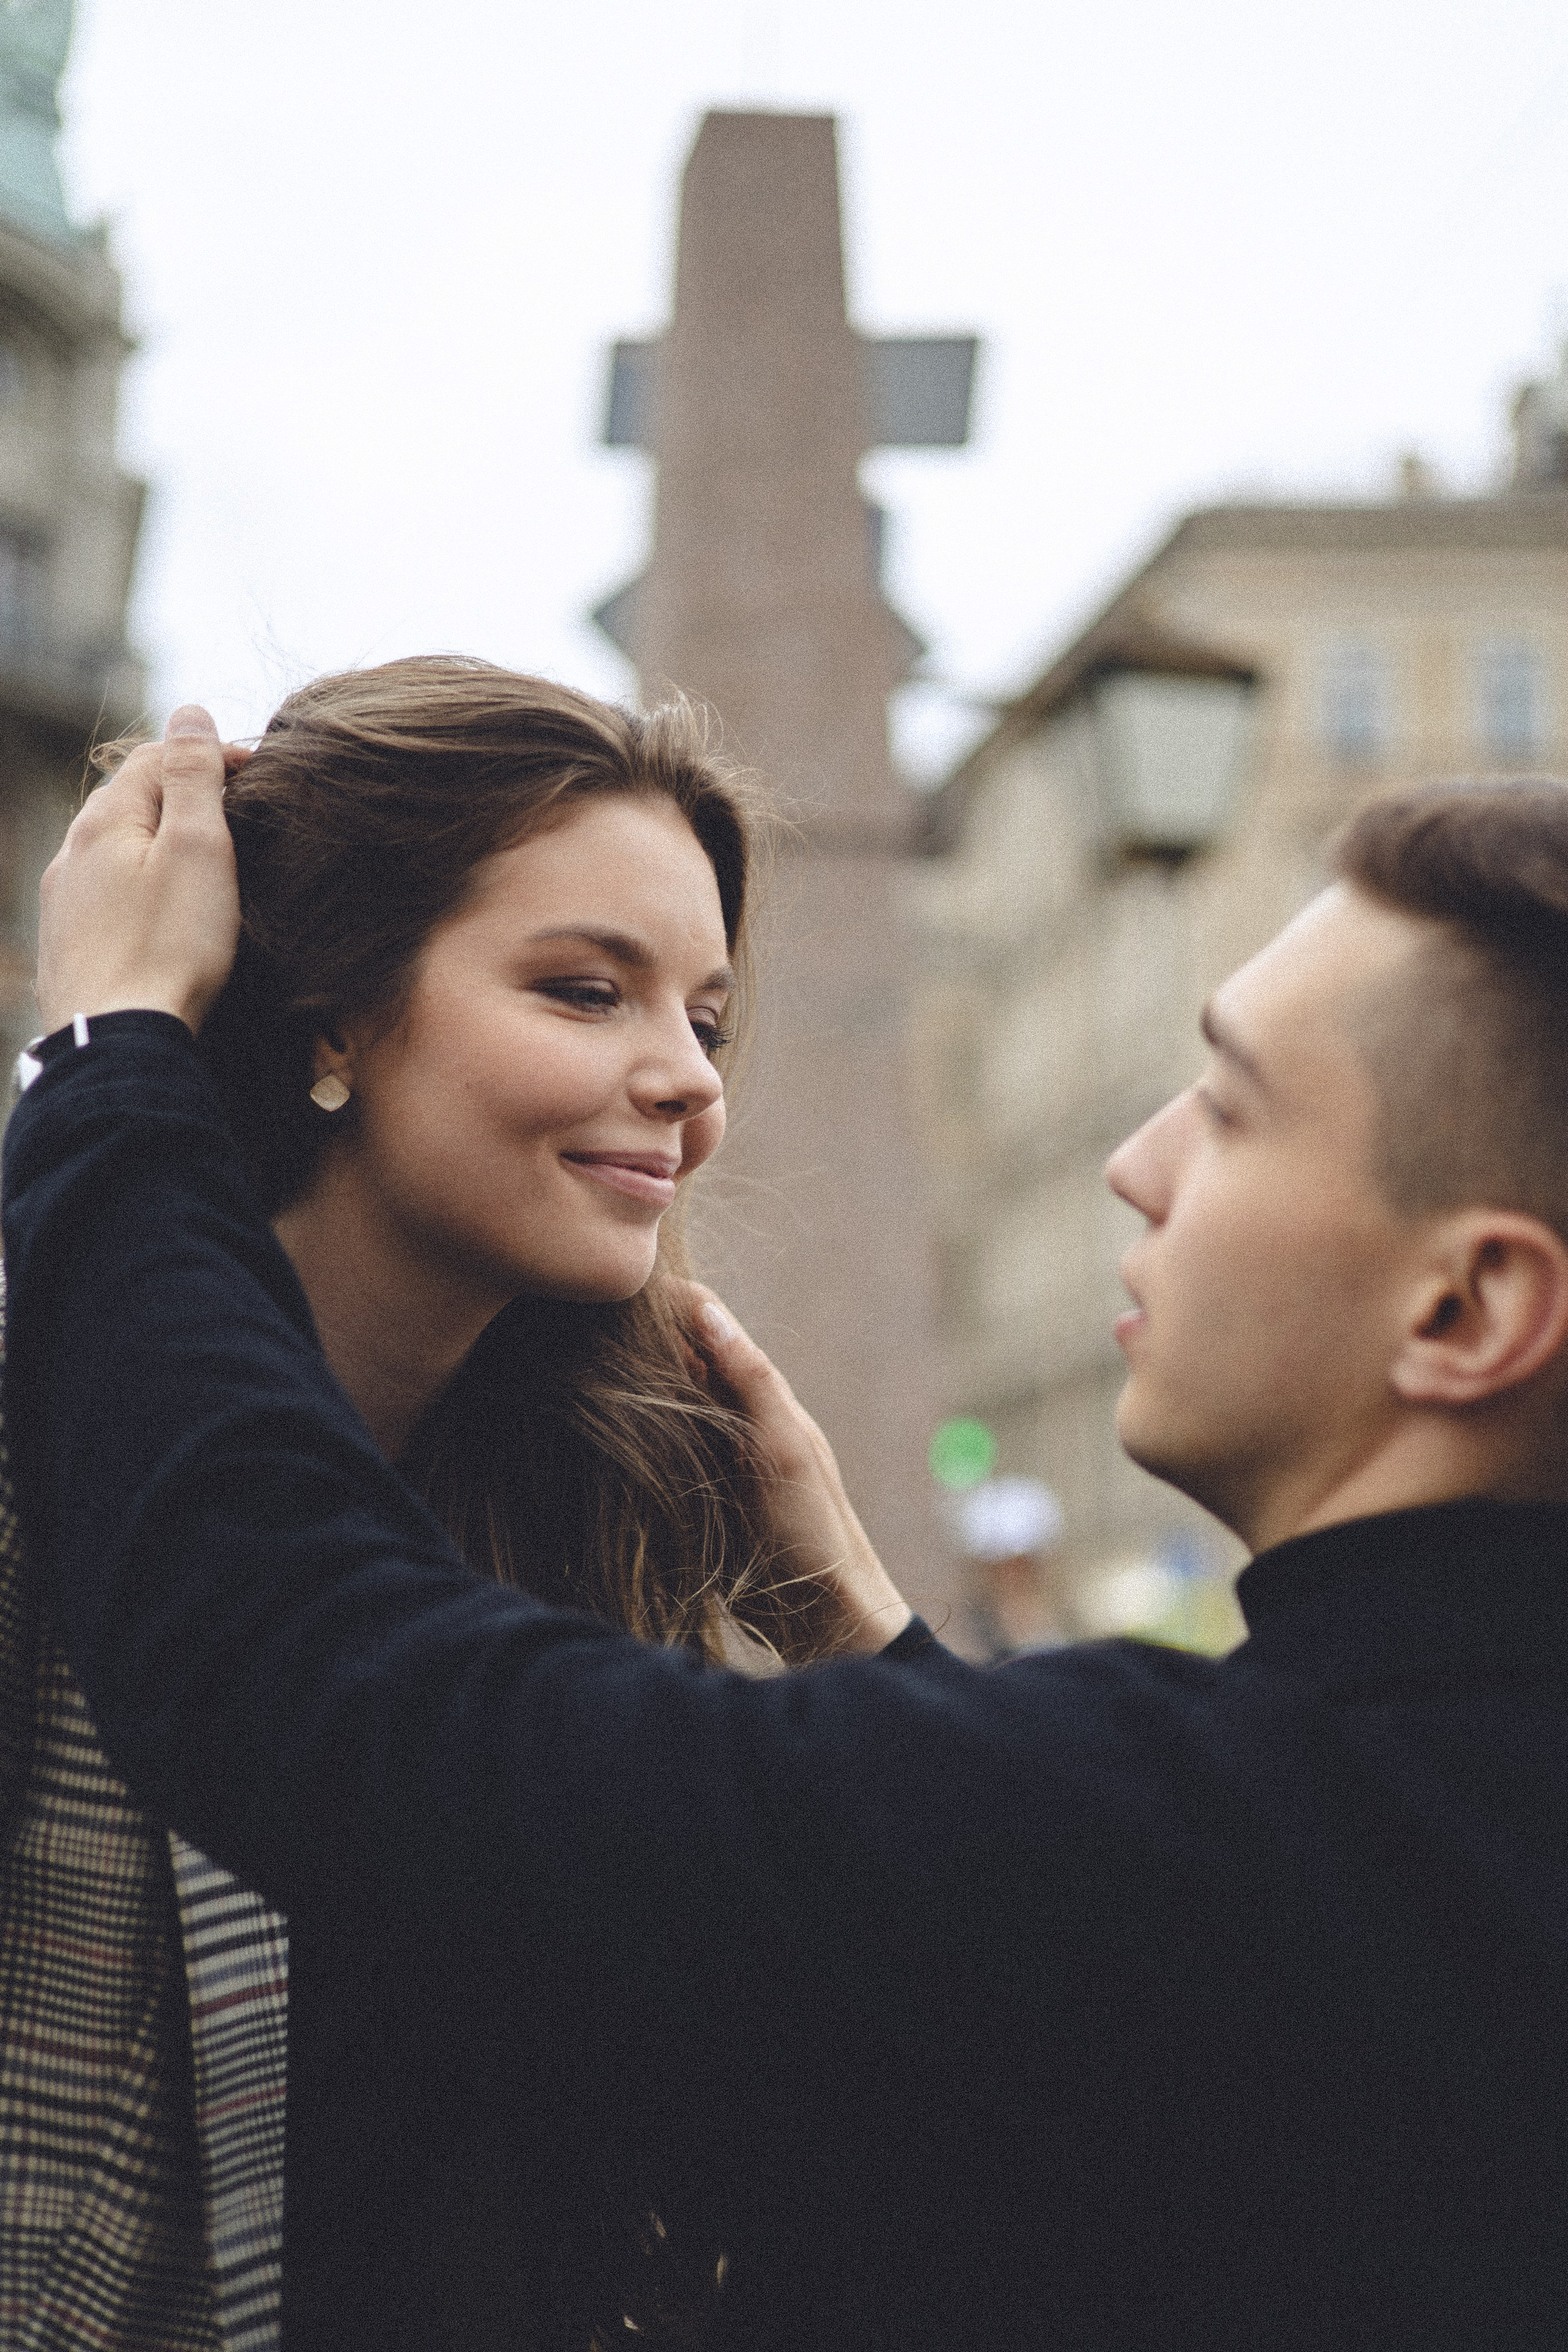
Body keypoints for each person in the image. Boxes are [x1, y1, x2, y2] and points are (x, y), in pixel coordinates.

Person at [9, 723, 1568, 2351]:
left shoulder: (1282, 1846)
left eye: (1236, 1112)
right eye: (586, 988)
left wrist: (111, 1056)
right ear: (328, 1021)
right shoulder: (1419, 1808)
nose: (1136, 1161)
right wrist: (869, 1646)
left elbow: (309, 1679)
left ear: (1468, 1307)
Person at [0, 670, 906, 2352]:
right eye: (586, 992)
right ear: (330, 1018)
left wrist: (849, 1613)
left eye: (705, 1020)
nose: (687, 1083)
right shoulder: (36, 1463)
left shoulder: (619, 1516)